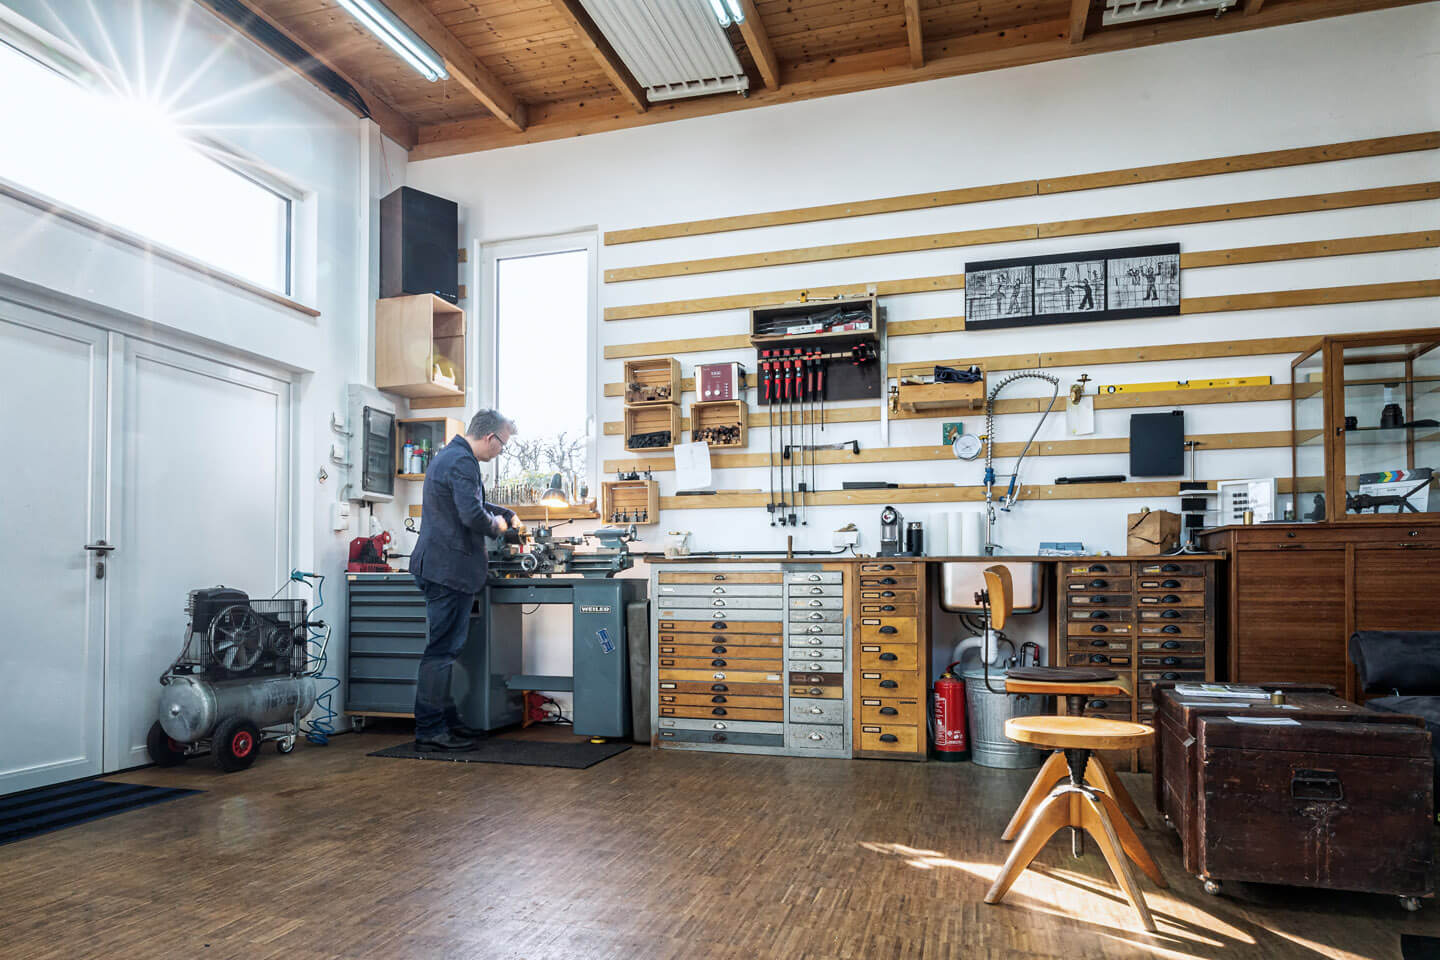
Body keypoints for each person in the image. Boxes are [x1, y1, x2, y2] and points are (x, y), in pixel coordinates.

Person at [408, 409, 522, 750]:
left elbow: (473, 502)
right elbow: (472, 514)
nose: (500, 451)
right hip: (447, 570)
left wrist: (505, 513)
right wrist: (497, 526)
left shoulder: (453, 456)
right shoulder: (461, 461)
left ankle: (448, 723)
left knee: (447, 651)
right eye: (502, 444)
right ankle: (430, 730)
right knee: (441, 652)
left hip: (443, 568)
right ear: (490, 437)